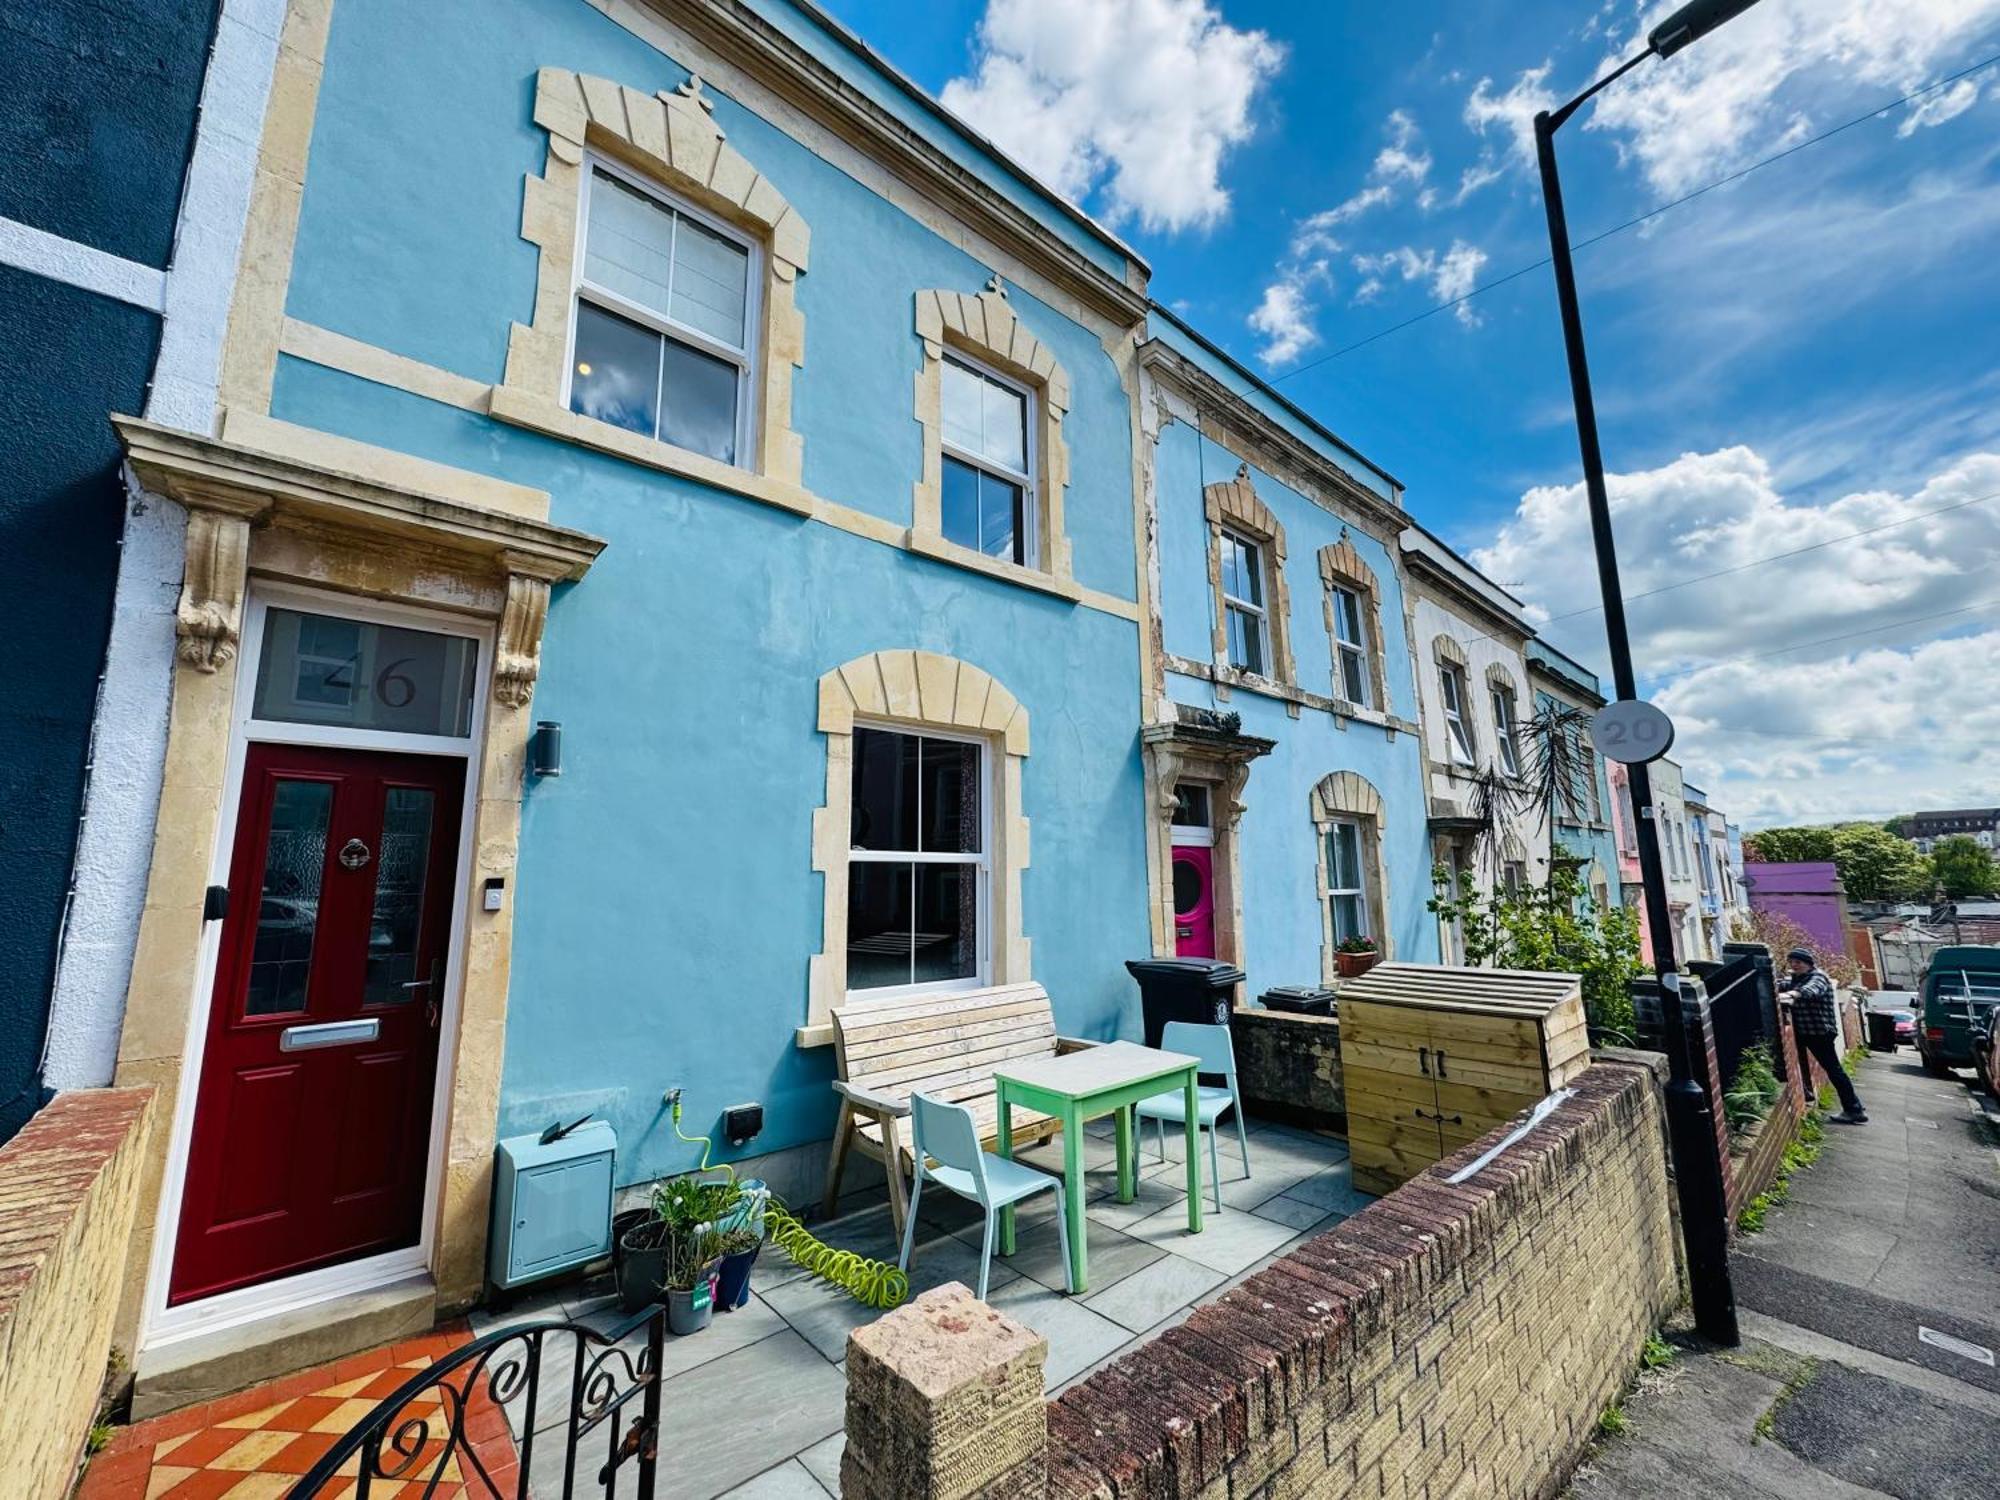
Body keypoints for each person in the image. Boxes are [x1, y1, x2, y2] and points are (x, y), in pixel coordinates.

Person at [1779, 947, 1866, 1123]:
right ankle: (1807, 1092)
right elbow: (1780, 985)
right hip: (1803, 1032)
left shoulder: (1818, 976)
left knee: (1834, 1070)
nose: (1795, 965)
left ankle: (1854, 1109)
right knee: (1798, 1064)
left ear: (1808, 964)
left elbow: (1812, 990)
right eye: (1792, 962)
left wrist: (1792, 994)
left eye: (1799, 962)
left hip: (1819, 1033)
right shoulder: (1796, 979)